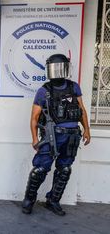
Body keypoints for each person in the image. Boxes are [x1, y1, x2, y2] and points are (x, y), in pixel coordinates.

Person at [21, 54, 91, 216]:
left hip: (72, 136)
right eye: (55, 68)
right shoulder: (44, 91)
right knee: (40, 169)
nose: (58, 71)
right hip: (51, 136)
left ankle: (53, 201)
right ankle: (29, 200)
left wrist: (87, 129)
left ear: (66, 68)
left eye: (61, 67)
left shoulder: (74, 87)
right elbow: (34, 118)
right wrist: (34, 138)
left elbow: (81, 110)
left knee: (65, 169)